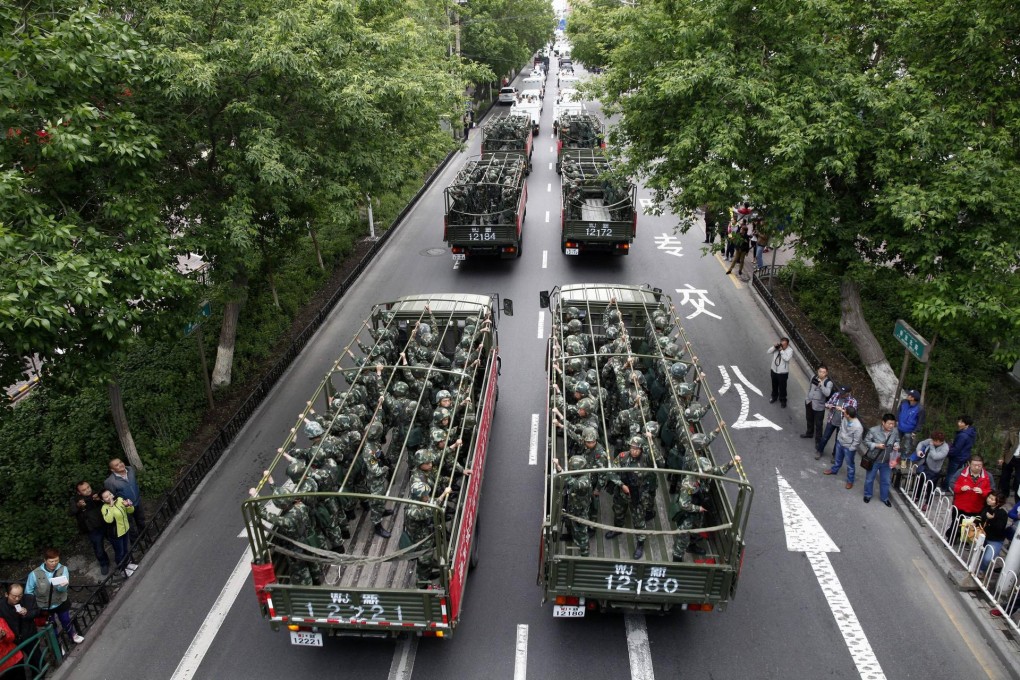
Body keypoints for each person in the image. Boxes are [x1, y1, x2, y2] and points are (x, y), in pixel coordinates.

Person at [605, 437, 657, 559]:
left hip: (638, 495)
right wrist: (621, 484)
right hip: (623, 492)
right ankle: (618, 529)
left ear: (641, 449)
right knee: (618, 512)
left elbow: (659, 461)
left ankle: (640, 543)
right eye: (632, 448)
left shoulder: (647, 459)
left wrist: (651, 443)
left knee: (639, 521)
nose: (634, 451)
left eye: (637, 449)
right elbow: (611, 471)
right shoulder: (623, 456)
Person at [25, 548, 84, 644]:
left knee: (66, 620)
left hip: (60, 601)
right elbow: (28, 592)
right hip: (44, 606)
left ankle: (72, 635)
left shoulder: (63, 569)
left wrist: (62, 587)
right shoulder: (34, 574)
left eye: (56, 560)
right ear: (45, 560)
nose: (54, 563)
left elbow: (62, 589)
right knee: (51, 626)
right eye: (51, 561)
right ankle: (57, 643)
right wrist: (32, 606)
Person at [70, 480, 112, 576]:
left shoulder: (97, 493)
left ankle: (122, 558)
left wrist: (99, 499)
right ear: (79, 492)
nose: (88, 490)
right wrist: (78, 506)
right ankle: (104, 563)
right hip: (92, 528)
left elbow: (111, 499)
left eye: (88, 487)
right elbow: (71, 511)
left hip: (105, 523)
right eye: (84, 490)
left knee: (114, 540)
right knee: (98, 548)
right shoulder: (76, 499)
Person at [0, 583, 40, 679]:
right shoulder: (1, 605)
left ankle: (39, 675)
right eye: (14, 596)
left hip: (29, 635)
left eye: (20, 596)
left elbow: (37, 612)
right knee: (18, 663)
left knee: (35, 658)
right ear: (7, 594)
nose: (17, 599)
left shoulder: (29, 599)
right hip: (14, 640)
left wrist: (27, 613)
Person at [861, 413, 901, 506]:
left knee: (886, 481)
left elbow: (897, 440)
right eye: (889, 424)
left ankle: (884, 498)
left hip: (887, 461)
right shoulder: (873, 430)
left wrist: (896, 445)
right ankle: (867, 495)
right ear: (883, 422)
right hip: (874, 459)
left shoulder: (895, 431)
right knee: (869, 479)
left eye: (893, 424)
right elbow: (866, 441)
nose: (891, 426)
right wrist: (876, 445)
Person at [824, 406, 864, 489]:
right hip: (840, 442)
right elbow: (841, 428)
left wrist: (851, 448)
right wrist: (839, 439)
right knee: (837, 459)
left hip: (848, 447)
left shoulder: (858, 427)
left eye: (845, 412)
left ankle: (850, 481)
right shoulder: (846, 418)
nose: (843, 412)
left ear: (848, 415)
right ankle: (834, 470)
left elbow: (857, 441)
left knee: (850, 465)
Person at [104, 458, 144, 542]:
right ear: (112, 469)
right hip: (125, 507)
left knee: (141, 519)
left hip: (137, 501)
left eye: (120, 462)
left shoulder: (130, 470)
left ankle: (144, 535)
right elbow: (112, 496)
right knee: (130, 525)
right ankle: (135, 542)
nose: (120, 465)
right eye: (116, 465)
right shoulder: (110, 482)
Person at [816, 385, 857, 460]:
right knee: (825, 437)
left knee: (838, 441)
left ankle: (835, 456)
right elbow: (827, 403)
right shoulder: (836, 395)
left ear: (849, 393)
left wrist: (843, 410)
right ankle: (819, 451)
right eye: (841, 392)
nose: (841, 394)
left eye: (843, 393)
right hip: (832, 420)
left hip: (842, 424)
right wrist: (829, 406)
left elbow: (852, 415)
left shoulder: (853, 401)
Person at [100, 489, 135, 570]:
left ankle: (127, 563)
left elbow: (131, 510)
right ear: (102, 500)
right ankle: (122, 569)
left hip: (125, 529)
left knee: (126, 549)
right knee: (120, 552)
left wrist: (128, 505)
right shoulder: (104, 508)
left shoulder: (119, 500)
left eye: (109, 494)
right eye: (106, 497)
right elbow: (109, 520)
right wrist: (111, 506)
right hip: (116, 533)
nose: (109, 497)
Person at [913, 431, 949, 504]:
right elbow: (921, 443)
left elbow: (935, 456)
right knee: (920, 481)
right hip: (925, 465)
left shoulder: (945, 448)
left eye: (935, 441)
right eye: (932, 440)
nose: (932, 441)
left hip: (934, 470)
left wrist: (931, 446)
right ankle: (917, 496)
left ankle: (928, 503)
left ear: (940, 441)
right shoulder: (931, 441)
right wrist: (918, 451)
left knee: (931, 487)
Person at [801, 365, 834, 448]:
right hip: (809, 402)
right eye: (820, 371)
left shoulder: (828, 383)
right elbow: (810, 388)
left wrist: (821, 385)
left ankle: (818, 441)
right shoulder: (813, 377)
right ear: (817, 371)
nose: (821, 374)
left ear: (826, 373)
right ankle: (809, 433)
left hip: (819, 406)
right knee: (809, 419)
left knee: (818, 424)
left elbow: (827, 393)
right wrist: (807, 398)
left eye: (823, 372)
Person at [976, 492, 1008, 575]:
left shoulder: (1002, 513)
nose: (989, 499)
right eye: (989, 497)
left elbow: (999, 528)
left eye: (992, 499)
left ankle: (981, 571)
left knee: (987, 558)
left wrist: (992, 519)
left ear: (998, 502)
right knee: (979, 553)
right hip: (983, 536)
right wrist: (975, 522)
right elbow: (979, 516)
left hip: (995, 539)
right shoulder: (986, 507)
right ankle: (975, 567)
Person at [945, 416, 977, 491]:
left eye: (961, 422)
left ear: (967, 424)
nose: (959, 423)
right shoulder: (971, 433)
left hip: (957, 457)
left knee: (951, 474)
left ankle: (947, 488)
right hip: (964, 457)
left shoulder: (963, 435)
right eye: (959, 421)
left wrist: (949, 452)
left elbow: (957, 448)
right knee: (957, 474)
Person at [767, 338, 793, 408]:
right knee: (774, 385)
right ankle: (774, 397)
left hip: (783, 373)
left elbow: (786, 358)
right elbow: (768, 352)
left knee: (782, 387)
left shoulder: (790, 350)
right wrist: (774, 347)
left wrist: (781, 350)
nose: (782, 346)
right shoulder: (777, 348)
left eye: (784, 345)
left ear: (787, 345)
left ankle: (783, 400)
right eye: (781, 344)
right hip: (774, 370)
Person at [998, 424, 1020, 500]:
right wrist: (1001, 457)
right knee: (1005, 476)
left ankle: (1017, 499)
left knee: (1018, 480)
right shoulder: (1013, 432)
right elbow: (1005, 446)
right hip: (1011, 457)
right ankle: (1004, 495)